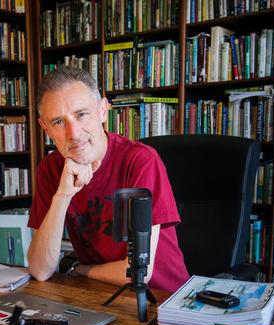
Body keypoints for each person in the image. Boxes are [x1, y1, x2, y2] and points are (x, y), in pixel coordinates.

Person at [27, 66, 189, 292]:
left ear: (103, 110)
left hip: (159, 299)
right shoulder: (50, 168)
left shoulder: (141, 161)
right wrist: (62, 196)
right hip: (98, 296)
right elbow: (40, 270)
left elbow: (137, 272)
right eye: (59, 122)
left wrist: (78, 269)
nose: (73, 133)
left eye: (81, 114)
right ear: (45, 128)